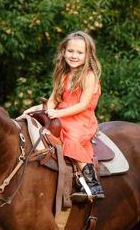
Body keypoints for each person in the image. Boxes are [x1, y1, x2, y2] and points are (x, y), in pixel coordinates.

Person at [25, 31, 105, 201]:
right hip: (63, 115)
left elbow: (83, 105)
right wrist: (31, 110)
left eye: (79, 52)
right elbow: (52, 102)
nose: (74, 56)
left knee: (70, 138)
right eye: (70, 51)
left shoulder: (89, 77)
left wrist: (58, 113)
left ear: (87, 55)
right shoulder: (63, 75)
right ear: (63, 51)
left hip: (81, 118)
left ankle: (93, 184)